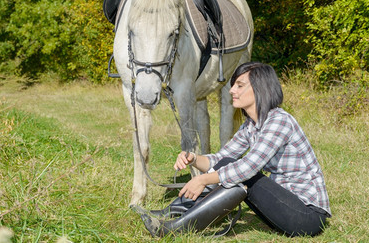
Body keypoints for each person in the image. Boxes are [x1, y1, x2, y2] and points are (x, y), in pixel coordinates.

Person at [141, 62, 331, 237]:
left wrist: (203, 179)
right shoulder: (250, 125)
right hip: (283, 208)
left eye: (239, 85)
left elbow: (248, 167)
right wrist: (193, 158)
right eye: (233, 85)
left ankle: (176, 228)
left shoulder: (279, 120)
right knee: (228, 164)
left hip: (308, 216)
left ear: (260, 88)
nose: (232, 90)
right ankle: (175, 211)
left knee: (242, 174)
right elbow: (221, 158)